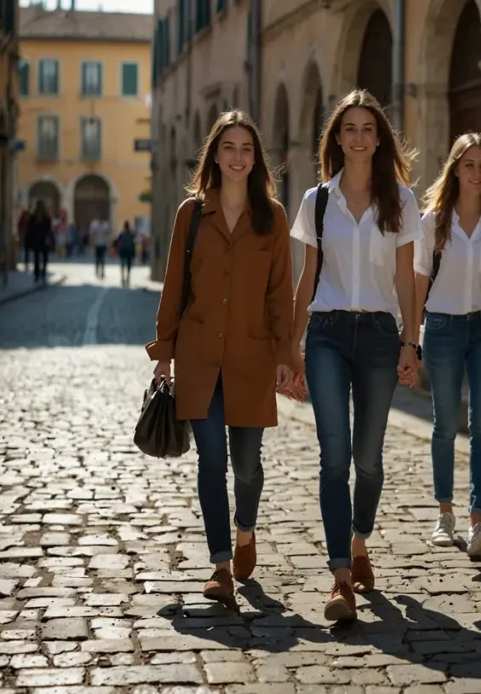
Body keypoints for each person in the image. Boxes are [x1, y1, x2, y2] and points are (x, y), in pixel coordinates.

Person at [147, 110, 301, 604]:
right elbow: (174, 286)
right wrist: (164, 352)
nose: (238, 157)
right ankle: (219, 566)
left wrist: (285, 354)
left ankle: (245, 530)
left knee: (247, 466)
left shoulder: (273, 217)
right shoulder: (190, 215)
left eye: (246, 149)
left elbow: (280, 293)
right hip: (198, 358)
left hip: (251, 358)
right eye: (229, 147)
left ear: (256, 160)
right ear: (214, 154)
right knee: (211, 459)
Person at [288, 89, 421, 623]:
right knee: (334, 457)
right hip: (327, 332)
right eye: (350, 129)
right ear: (337, 139)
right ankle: (340, 575)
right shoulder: (317, 201)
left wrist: (411, 341)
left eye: (368, 129)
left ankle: (359, 539)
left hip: (381, 337)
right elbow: (307, 277)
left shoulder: (402, 201)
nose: (359, 137)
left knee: (368, 459)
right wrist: (291, 346)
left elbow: (407, 278)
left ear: (379, 139)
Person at [414, 133, 481, 557]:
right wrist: (410, 338)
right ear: (455, 169)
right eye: (469, 165)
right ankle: (444, 515)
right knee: (444, 424)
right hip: (441, 329)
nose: (476, 173)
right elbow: (419, 279)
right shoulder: (433, 221)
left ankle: (478, 522)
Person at [25, 201, 53, 285]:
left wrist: (29, 241)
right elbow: (49, 230)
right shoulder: (46, 218)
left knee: (36, 257)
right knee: (44, 257)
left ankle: (36, 274)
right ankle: (43, 273)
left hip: (35, 240)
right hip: (44, 240)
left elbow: (29, 231)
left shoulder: (33, 218)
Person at [115, 220, 136, 287]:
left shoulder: (122, 233)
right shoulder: (131, 233)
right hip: (129, 250)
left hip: (123, 250)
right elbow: (134, 242)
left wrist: (116, 247)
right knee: (128, 265)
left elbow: (117, 240)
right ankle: (128, 278)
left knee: (122, 264)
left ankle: (123, 278)